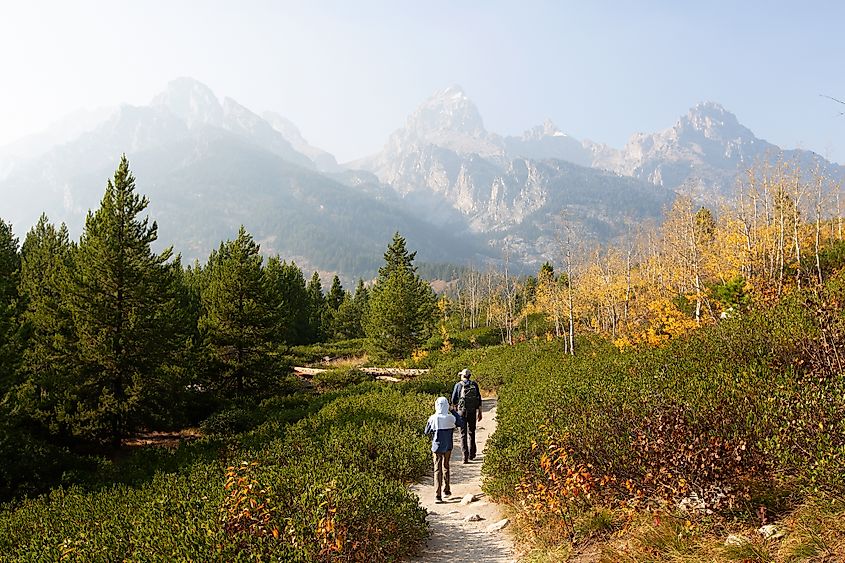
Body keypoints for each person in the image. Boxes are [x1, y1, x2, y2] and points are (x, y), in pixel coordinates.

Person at [423, 397, 463, 502]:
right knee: (446, 467)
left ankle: (438, 495)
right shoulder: (450, 418)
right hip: (448, 446)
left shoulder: (433, 418)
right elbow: (460, 422)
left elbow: (426, 431)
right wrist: (453, 410)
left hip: (436, 447)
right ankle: (447, 489)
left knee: (437, 470)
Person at [451, 368, 482, 463]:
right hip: (472, 411)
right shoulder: (474, 385)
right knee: (472, 432)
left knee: (463, 434)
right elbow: (479, 398)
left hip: (462, 412)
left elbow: (453, 400)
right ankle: (472, 454)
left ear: (462, 376)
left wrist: (455, 411)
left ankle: (464, 456)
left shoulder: (458, 385)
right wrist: (480, 412)